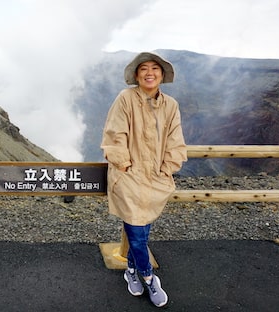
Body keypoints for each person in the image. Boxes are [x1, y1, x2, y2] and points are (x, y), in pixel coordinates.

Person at [101, 52, 187, 308]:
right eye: (144, 69)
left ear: (162, 74)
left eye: (155, 69)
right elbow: (115, 132)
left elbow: (175, 138)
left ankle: (130, 271)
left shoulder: (170, 105)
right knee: (137, 232)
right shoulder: (126, 98)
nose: (150, 73)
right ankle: (149, 277)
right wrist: (125, 164)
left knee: (142, 229)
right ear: (136, 75)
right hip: (129, 176)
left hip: (156, 178)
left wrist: (168, 168)